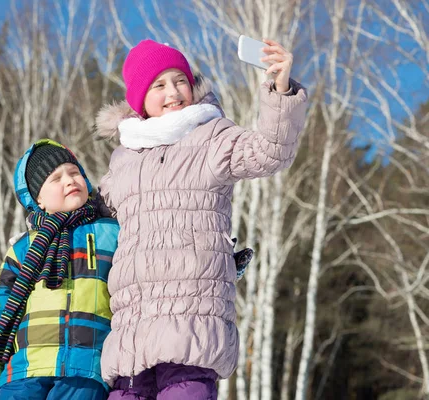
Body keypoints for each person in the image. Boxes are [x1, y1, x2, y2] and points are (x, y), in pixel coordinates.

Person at [95, 39, 307, 399]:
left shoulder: (212, 136)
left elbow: (271, 151)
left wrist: (280, 90)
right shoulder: (124, 158)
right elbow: (95, 212)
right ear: (139, 99)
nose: (174, 91)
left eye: (180, 80)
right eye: (159, 85)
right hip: (132, 327)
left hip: (193, 319)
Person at [0, 139, 120, 400]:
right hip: (23, 371)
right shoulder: (23, 249)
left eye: (75, 173)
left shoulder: (110, 233)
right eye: (56, 178)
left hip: (85, 370)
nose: (69, 180)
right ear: (38, 199)